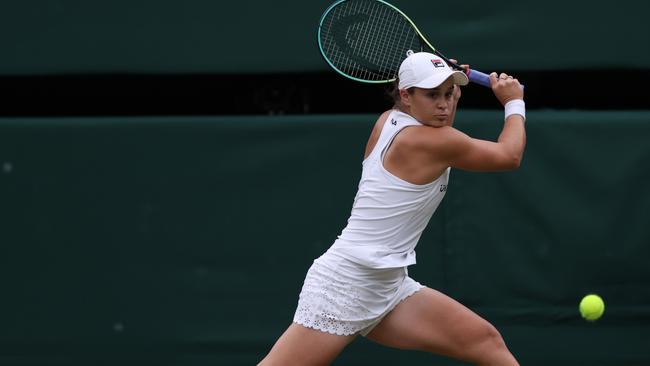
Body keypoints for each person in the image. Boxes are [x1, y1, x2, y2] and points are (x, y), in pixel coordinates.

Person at [258, 51, 526, 366]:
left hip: (388, 286)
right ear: (405, 95)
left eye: (448, 94)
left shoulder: (389, 120)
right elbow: (509, 156)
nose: (443, 104)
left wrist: (446, 81)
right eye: (432, 95)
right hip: (347, 284)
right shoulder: (430, 142)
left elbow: (442, 117)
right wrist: (513, 102)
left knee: (485, 341)